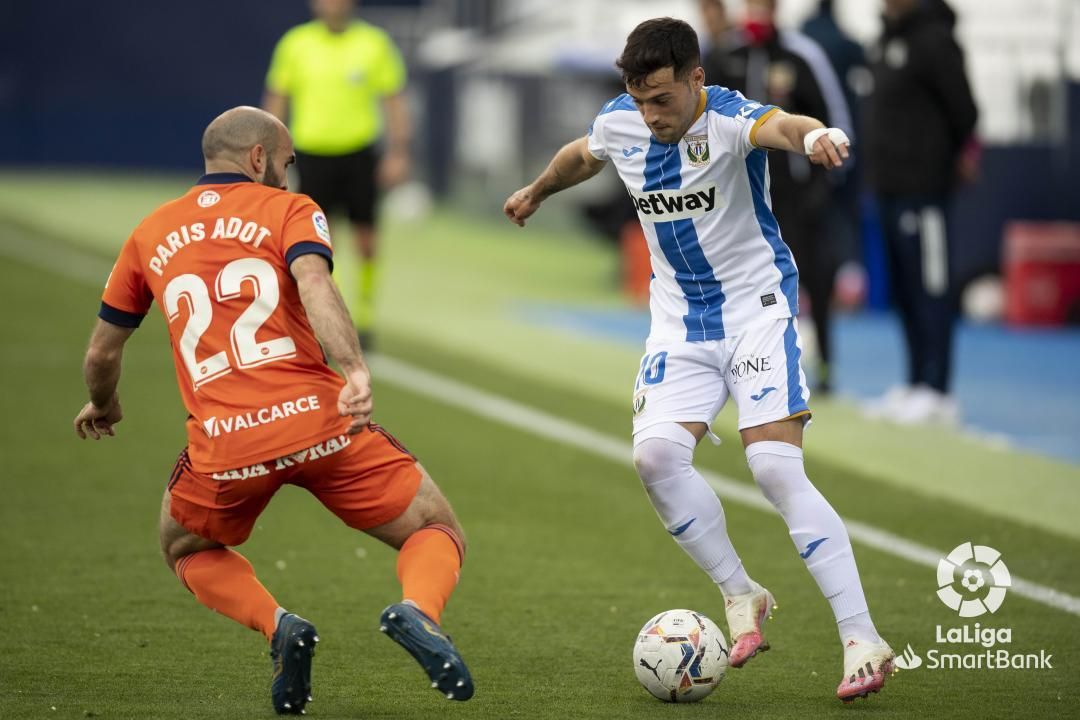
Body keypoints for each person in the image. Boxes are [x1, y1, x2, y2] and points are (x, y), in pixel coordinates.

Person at [503, 18, 893, 703]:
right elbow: (581, 156)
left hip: (756, 311)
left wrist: (816, 138)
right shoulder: (622, 121)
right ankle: (741, 593)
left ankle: (862, 637)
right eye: (640, 100)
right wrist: (536, 191)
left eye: (663, 99)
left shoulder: (732, 119)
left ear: (696, 79)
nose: (651, 115)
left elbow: (786, 126)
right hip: (679, 327)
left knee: (773, 466)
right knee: (655, 458)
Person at [72, 107, 471, 715]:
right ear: (258, 158)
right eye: (286, 162)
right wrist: (355, 370)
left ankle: (278, 625)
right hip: (322, 424)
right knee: (432, 528)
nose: (288, 174)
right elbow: (315, 283)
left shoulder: (149, 232)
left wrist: (104, 403)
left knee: (184, 548)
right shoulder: (290, 209)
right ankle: (418, 611)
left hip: (226, 446)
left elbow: (102, 351)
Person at [705, 0, 853, 393]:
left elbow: (834, 119)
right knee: (738, 282)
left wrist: (822, 187)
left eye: (763, 6)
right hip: (739, 198)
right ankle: (737, 368)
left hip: (797, 197)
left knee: (813, 279)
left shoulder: (802, 55)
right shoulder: (726, 55)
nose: (756, 13)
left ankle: (824, 367)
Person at [263, 0, 411, 350]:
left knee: (367, 239)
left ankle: (366, 316)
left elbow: (393, 101)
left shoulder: (374, 43)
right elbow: (277, 99)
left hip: (360, 152)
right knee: (321, 239)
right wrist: (270, 152)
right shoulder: (296, 44)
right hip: (313, 153)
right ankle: (335, 315)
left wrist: (399, 151)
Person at [863, 0, 978, 424]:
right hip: (888, 188)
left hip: (925, 191)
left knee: (931, 288)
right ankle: (915, 382)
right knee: (905, 290)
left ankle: (939, 389)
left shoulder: (935, 40)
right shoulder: (883, 40)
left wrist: (941, 160)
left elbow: (965, 110)